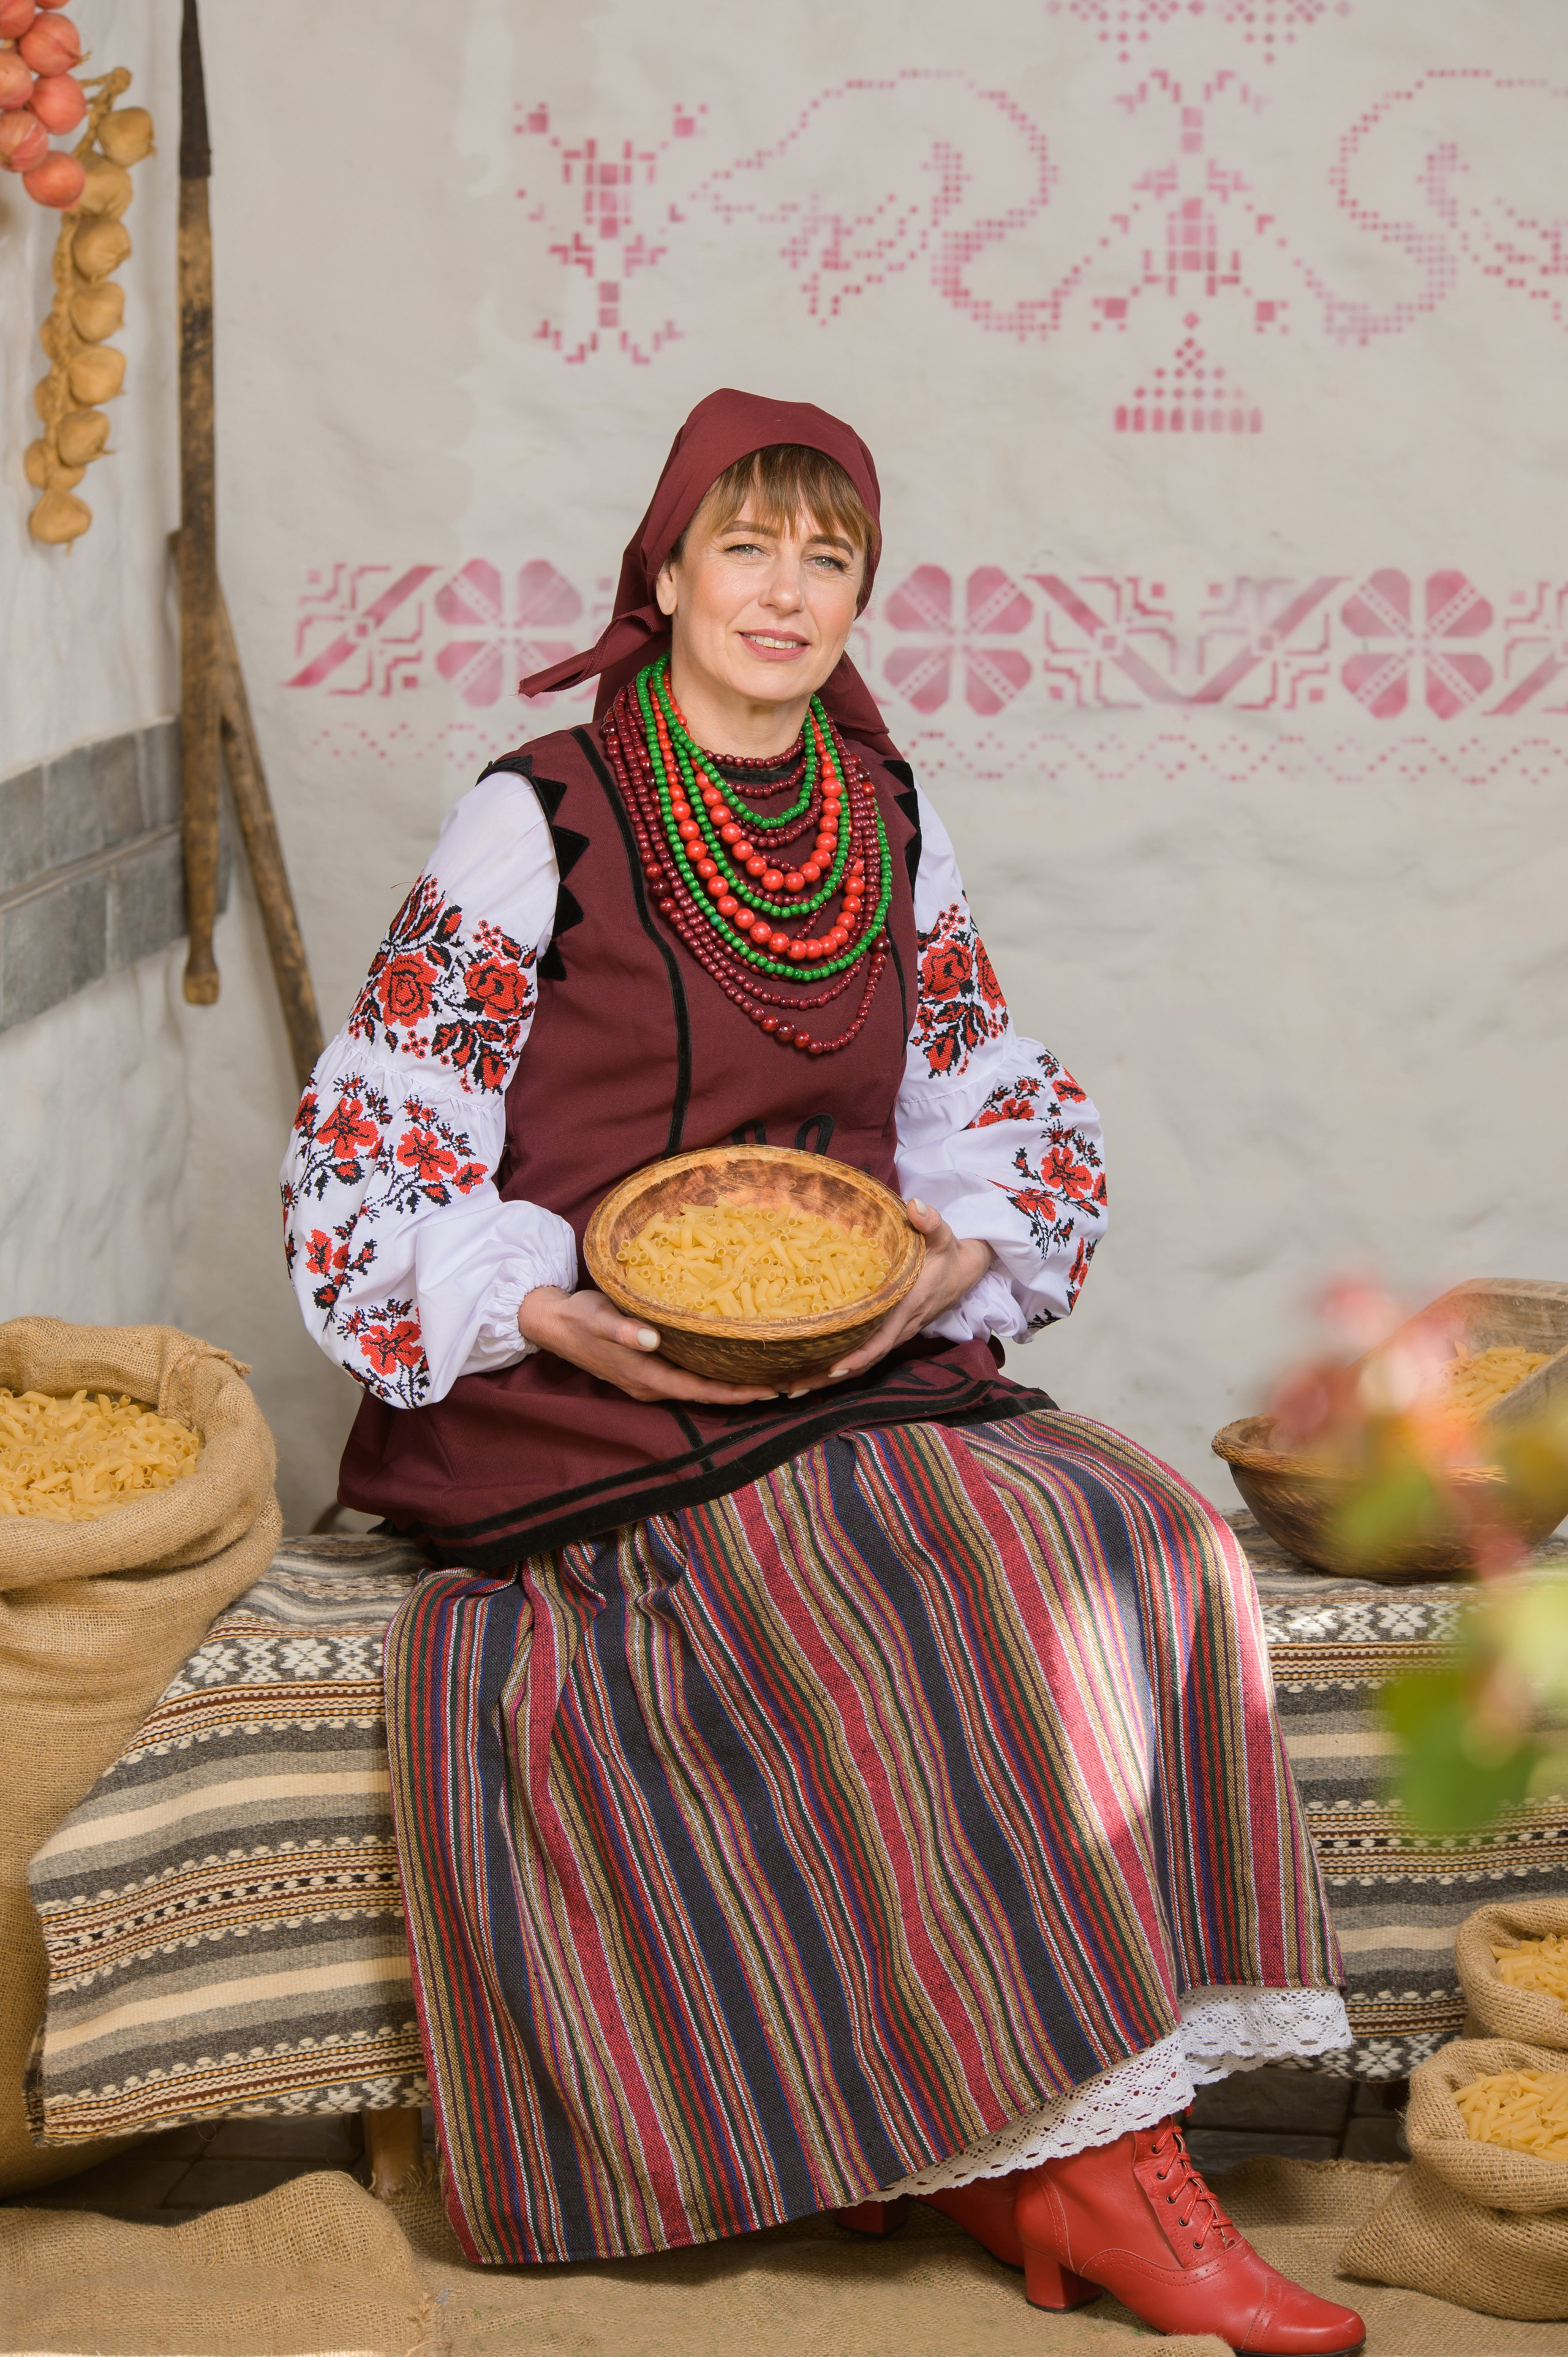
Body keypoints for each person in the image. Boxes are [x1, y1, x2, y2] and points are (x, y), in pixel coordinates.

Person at [282, 389, 1365, 2355]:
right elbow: (385, 1132)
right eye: (750, 547)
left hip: (841, 1343)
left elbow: (963, 1081)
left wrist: (957, 1247)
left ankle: (1072, 2122)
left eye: (829, 557)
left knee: (1146, 1533)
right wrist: (535, 1305)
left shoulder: (889, 815)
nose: (786, 594)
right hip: (590, 1371)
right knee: (954, 1573)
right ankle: (1088, 2174)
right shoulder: (537, 814)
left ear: (864, 592)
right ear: (670, 571)